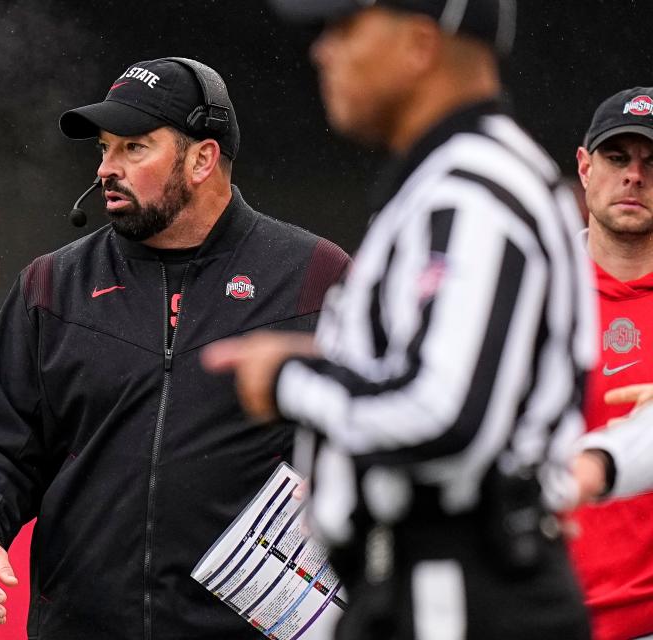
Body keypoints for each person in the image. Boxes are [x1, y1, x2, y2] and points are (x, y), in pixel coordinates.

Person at [203, 2, 596, 638]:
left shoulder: (475, 191)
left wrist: (289, 380)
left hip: (461, 592)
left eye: (346, 28)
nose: (323, 51)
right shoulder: (450, 181)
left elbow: (446, 413)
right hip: (428, 583)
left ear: (419, 44)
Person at [0, 56, 350, 639]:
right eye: (104, 148)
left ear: (203, 158)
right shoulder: (52, 286)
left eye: (134, 148)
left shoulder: (315, 278)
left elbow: (379, 430)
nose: (108, 168)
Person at [562, 87, 653, 640]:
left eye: (652, 163)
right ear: (585, 166)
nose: (634, 177)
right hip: (543, 617)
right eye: (618, 158)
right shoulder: (529, 296)